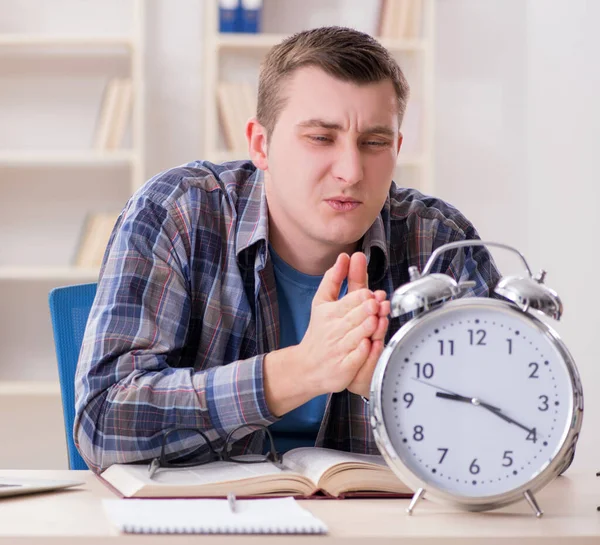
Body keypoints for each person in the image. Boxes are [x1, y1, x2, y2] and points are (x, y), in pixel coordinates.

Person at [74, 26, 500, 472]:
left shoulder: (441, 243)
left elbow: (539, 441)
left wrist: (394, 385)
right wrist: (299, 372)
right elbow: (102, 424)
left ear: (396, 147)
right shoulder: (177, 211)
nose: (351, 172)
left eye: (373, 143)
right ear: (261, 144)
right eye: (320, 138)